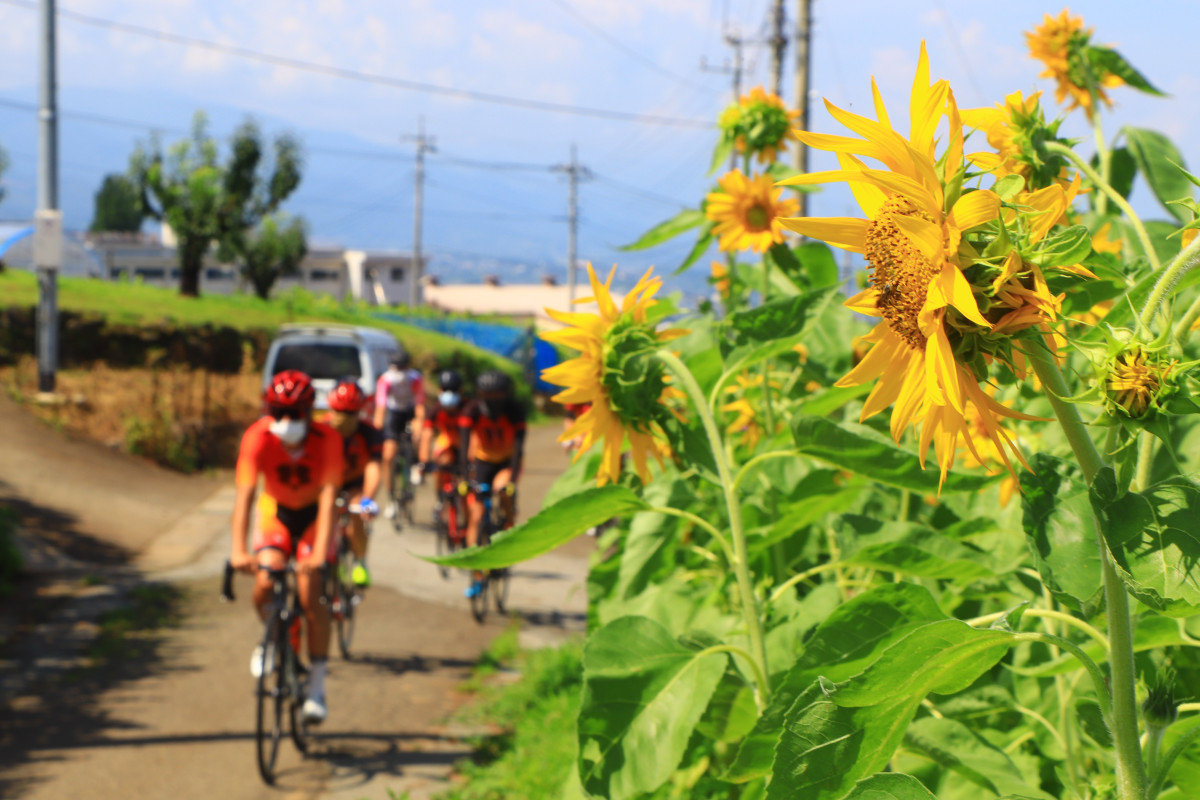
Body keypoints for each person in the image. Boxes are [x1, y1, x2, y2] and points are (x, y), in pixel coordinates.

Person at [230, 370, 343, 724]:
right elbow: (245, 497)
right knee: (265, 581)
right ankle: (271, 640)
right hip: (276, 513)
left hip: (312, 519)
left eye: (294, 414)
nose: (285, 421)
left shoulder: (328, 440)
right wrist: (238, 550)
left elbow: (328, 502)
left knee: (311, 596)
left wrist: (320, 552)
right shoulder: (257, 437)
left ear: (309, 413)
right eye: (277, 411)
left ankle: (317, 688)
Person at [458, 369, 526, 599]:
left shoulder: (515, 412)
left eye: (497, 395)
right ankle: (476, 572)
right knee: (476, 516)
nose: (493, 400)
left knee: (503, 490)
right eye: (488, 394)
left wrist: (513, 480)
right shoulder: (472, 410)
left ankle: (508, 526)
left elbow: (519, 448)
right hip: (482, 462)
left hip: (507, 462)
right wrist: (465, 479)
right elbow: (463, 445)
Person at [322, 379, 381, 587]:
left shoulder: (369, 432)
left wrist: (368, 498)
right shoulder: (321, 429)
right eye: (339, 411)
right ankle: (328, 557)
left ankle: (360, 562)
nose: (344, 419)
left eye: (351, 413)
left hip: (355, 483)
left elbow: (374, 466)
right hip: (328, 484)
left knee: (357, 513)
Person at [373, 350, 426, 520]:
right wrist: (377, 430)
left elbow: (420, 405)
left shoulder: (415, 378)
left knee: (419, 433)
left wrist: (419, 423)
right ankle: (390, 498)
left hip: (409, 411)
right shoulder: (386, 380)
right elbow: (380, 408)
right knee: (388, 455)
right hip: (393, 413)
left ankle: (416, 465)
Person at [419, 368, 467, 492]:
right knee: (441, 464)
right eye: (445, 390)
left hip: (468, 447)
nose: (449, 394)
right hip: (447, 444)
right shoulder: (436, 410)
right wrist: (424, 461)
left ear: (461, 391)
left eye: (453, 390)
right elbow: (427, 435)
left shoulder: (468, 408)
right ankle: (440, 498)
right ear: (439, 390)